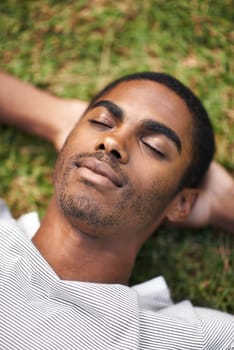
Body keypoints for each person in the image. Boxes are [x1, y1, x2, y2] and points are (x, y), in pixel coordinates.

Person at [0, 71, 233, 349]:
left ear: (181, 203)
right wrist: (57, 119)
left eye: (153, 147)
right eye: (101, 122)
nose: (112, 142)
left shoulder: (187, 337)